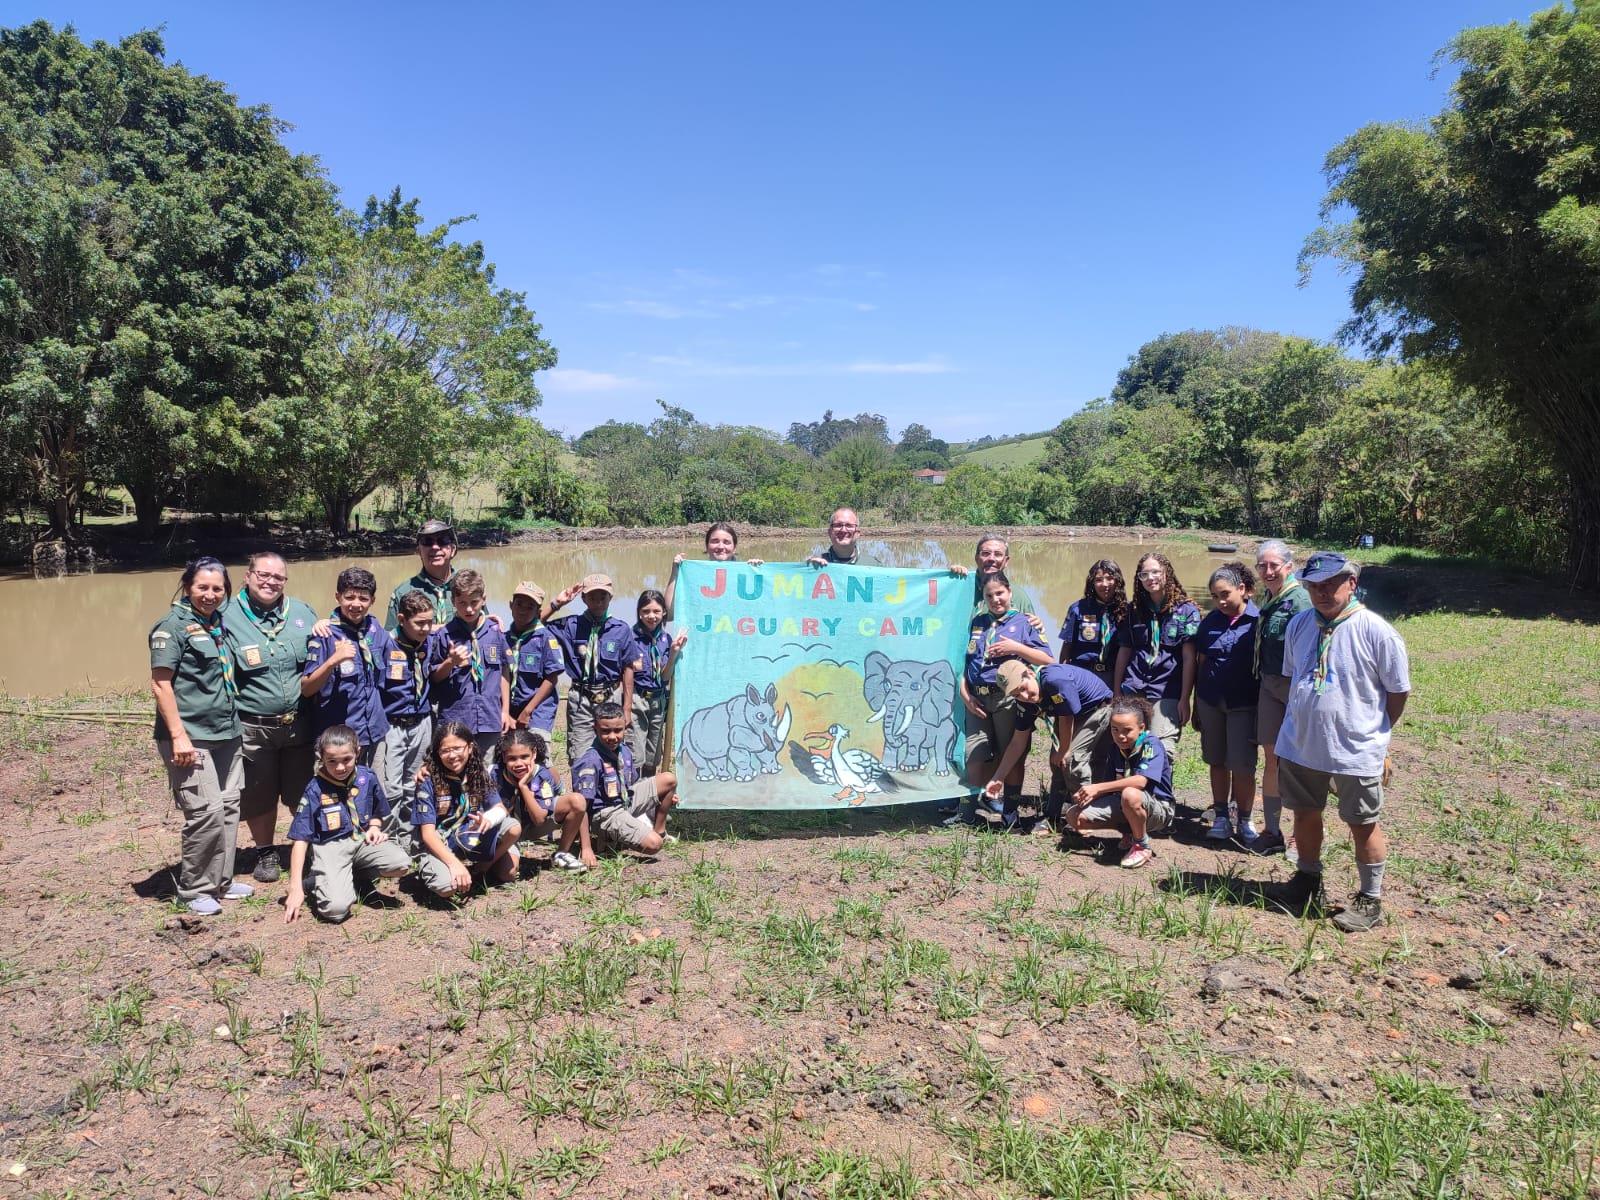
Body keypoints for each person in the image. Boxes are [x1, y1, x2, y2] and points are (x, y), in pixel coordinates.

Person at [1269, 553, 1410, 933]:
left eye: (1330, 584)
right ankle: (1308, 879)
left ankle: (1370, 897)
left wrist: (1376, 736)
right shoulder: (1299, 625)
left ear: (1352, 582)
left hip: (1356, 748)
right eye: (1314, 585)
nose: (1321, 592)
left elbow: (1396, 694)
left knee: (1362, 822)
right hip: (1300, 744)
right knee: (1304, 813)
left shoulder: (1377, 632)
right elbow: (1292, 676)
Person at [149, 556, 251, 915]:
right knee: (204, 812)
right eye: (202, 587)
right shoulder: (171, 627)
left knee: (227, 808)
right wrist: (178, 736)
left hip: (226, 732)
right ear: (188, 586)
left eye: (217, 588)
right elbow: (161, 684)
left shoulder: (217, 624)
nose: (210, 594)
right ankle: (193, 890)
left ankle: (221, 881)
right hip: (191, 737)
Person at [222, 550, 318, 884]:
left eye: (278, 577)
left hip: (299, 725)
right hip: (253, 726)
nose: (270, 582)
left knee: (302, 792)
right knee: (258, 794)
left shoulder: (303, 612)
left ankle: (307, 846)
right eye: (263, 575)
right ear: (247, 576)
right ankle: (265, 852)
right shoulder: (226, 615)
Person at [282, 725, 410, 923]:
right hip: (331, 847)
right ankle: (317, 881)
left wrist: (375, 827)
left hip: (360, 840)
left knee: (401, 863)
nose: (340, 767)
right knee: (336, 910)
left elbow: (377, 810)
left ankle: (352, 877)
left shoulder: (367, 777)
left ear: (357, 752)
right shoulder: (315, 789)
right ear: (321, 757)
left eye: (346, 759)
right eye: (331, 761)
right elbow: (300, 838)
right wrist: (295, 888)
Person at [957, 572, 1053, 820]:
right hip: (977, 698)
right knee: (974, 754)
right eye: (989, 595)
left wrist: (1016, 648)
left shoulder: (1025, 622)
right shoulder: (978, 622)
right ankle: (972, 810)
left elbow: (1047, 659)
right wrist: (965, 691)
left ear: (1010, 593)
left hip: (1007, 699)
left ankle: (1010, 811)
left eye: (1000, 593)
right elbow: (964, 660)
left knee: (1012, 755)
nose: (995, 599)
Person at [985, 657, 1113, 809]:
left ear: (1030, 673)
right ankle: (1053, 816)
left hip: (1097, 708)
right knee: (1058, 763)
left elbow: (1067, 718)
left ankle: (1086, 816)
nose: (1025, 697)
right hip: (1071, 714)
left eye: (1023, 688)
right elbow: (1017, 742)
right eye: (1016, 695)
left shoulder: (1054, 681)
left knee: (1071, 760)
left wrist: (1064, 750)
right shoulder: (1025, 703)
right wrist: (998, 777)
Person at [413, 720, 524, 897]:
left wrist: (489, 818)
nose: (452, 755)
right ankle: (441, 865)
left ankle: (482, 867)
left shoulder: (478, 773)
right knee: (448, 888)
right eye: (445, 750)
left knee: (511, 848)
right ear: (437, 753)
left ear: (470, 747)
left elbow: (500, 808)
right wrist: (454, 864)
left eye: (457, 748)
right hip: (443, 841)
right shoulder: (428, 780)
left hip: (470, 833)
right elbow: (427, 834)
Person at [1194, 562, 1262, 846]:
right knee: (1217, 760)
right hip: (1211, 701)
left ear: (1243, 590)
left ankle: (1245, 819)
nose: (1220, 601)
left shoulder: (1259, 620)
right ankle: (1221, 815)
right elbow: (1200, 662)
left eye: (1225, 594)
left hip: (1244, 703)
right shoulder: (1210, 621)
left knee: (1243, 764)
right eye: (1215, 596)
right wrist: (1195, 703)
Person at [1065, 695, 1175, 870]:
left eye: (1127, 730)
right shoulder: (1117, 747)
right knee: (1074, 816)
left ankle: (1141, 845)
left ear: (1141, 728)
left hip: (1158, 808)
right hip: (1126, 803)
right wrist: (1089, 796)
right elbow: (1111, 785)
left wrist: (1097, 788)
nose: (1120, 736)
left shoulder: (1150, 744)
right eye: (1114, 729)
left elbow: (1140, 781)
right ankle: (1129, 832)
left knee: (1130, 793)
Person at [301, 567, 396, 767]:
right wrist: (333, 661)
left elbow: (407, 635)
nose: (356, 604)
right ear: (337, 597)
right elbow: (307, 688)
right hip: (339, 742)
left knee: (372, 792)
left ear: (372, 600)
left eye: (363, 598)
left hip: (374, 732)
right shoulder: (325, 634)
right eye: (349, 597)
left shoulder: (375, 628)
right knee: (333, 796)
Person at [1253, 539, 1311, 855]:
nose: (1268, 570)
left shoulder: (1300, 600)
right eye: (1262, 565)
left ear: (1289, 566)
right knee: (1272, 758)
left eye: (1274, 564)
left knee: (1298, 761)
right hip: (1269, 686)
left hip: (1294, 688)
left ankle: (1302, 832)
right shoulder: (1271, 597)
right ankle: (1272, 831)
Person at [547, 573, 641, 764]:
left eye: (603, 597)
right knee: (579, 754)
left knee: (613, 752)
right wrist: (557, 603)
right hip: (581, 700)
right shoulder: (570, 626)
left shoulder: (621, 629)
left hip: (611, 696)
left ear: (611, 598)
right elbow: (533, 626)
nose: (598, 602)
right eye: (592, 597)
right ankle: (581, 793)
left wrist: (627, 708)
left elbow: (628, 668)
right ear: (583, 598)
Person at [1113, 552, 1199, 758]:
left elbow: (1189, 658)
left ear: (1166, 573)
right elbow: (1124, 651)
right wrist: (1117, 690)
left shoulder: (1186, 610)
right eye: (1144, 574)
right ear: (1138, 579)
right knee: (1128, 745)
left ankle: (1159, 790)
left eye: (1155, 572)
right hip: (1133, 685)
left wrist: (1185, 698)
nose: (1150, 578)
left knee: (1162, 749)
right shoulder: (1133, 610)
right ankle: (1130, 789)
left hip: (1166, 689)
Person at [426, 569, 513, 763]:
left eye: (474, 602)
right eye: (462, 603)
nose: (469, 609)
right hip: (456, 720)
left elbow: (504, 672)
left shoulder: (495, 632)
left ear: (484, 599)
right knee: (456, 772)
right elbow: (434, 678)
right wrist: (450, 662)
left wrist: (505, 711)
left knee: (488, 772)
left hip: (490, 718)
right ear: (453, 602)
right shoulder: (444, 635)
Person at [571, 702, 679, 855]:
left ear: (625, 728)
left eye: (618, 730)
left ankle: (660, 830)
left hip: (625, 800)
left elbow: (634, 784)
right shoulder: (591, 761)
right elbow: (580, 807)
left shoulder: (624, 751)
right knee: (654, 845)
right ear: (595, 729)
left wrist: (665, 796)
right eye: (605, 731)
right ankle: (605, 840)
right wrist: (586, 847)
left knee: (668, 779)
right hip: (606, 813)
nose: (612, 736)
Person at [491, 728, 592, 872]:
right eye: (512, 758)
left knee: (576, 800)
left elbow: (539, 819)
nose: (519, 763)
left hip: (533, 826)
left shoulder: (542, 774)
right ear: (504, 757)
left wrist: (523, 787)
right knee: (507, 873)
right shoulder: (493, 775)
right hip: (506, 832)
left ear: (534, 754)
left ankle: (561, 853)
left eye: (524, 756)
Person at [380, 590, 436, 835]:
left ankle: (409, 837)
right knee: (391, 787)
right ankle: (387, 837)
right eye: (419, 623)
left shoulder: (432, 641)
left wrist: (492, 620)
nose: (426, 628)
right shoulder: (383, 643)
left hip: (422, 722)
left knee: (415, 783)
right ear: (401, 619)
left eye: (430, 622)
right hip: (392, 724)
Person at [630, 589, 687, 773]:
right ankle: (633, 794)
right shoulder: (630, 637)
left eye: (656, 611)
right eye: (646, 611)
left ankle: (650, 792)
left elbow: (664, 676)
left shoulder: (665, 639)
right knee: (635, 751)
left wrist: (673, 653)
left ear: (664, 612)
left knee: (653, 753)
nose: (651, 616)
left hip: (658, 700)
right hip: (636, 699)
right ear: (639, 612)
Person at [665, 522, 763, 617]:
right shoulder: (695, 576)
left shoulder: (746, 575)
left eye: (726, 542)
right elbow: (668, 615)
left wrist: (757, 572)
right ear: (707, 546)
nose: (721, 546)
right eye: (715, 541)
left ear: (734, 548)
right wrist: (675, 573)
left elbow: (761, 610)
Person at [506, 581, 564, 735]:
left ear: (538, 612)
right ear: (511, 606)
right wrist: (504, 711)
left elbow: (552, 678)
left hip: (538, 708)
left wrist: (528, 711)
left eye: (530, 607)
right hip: (510, 707)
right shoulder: (503, 639)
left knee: (537, 748)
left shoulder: (545, 638)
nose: (523, 611)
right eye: (519, 604)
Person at [385, 518, 458, 629]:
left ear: (452, 549)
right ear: (419, 550)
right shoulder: (403, 592)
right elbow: (390, 639)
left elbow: (485, 629)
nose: (435, 547)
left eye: (442, 540)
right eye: (427, 542)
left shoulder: (469, 586)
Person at [1059, 559, 1128, 677]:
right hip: (1082, 673)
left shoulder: (1127, 611)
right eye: (1099, 580)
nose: (1105, 584)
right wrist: (1064, 676)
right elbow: (1067, 648)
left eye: (1109, 578)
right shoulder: (1078, 609)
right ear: (1092, 583)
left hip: (1114, 674)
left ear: (1118, 581)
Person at [806, 508, 871, 566]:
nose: (843, 530)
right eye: (838, 525)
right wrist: (809, 570)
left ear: (857, 533)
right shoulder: (816, 564)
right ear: (830, 532)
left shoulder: (874, 565)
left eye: (849, 525)